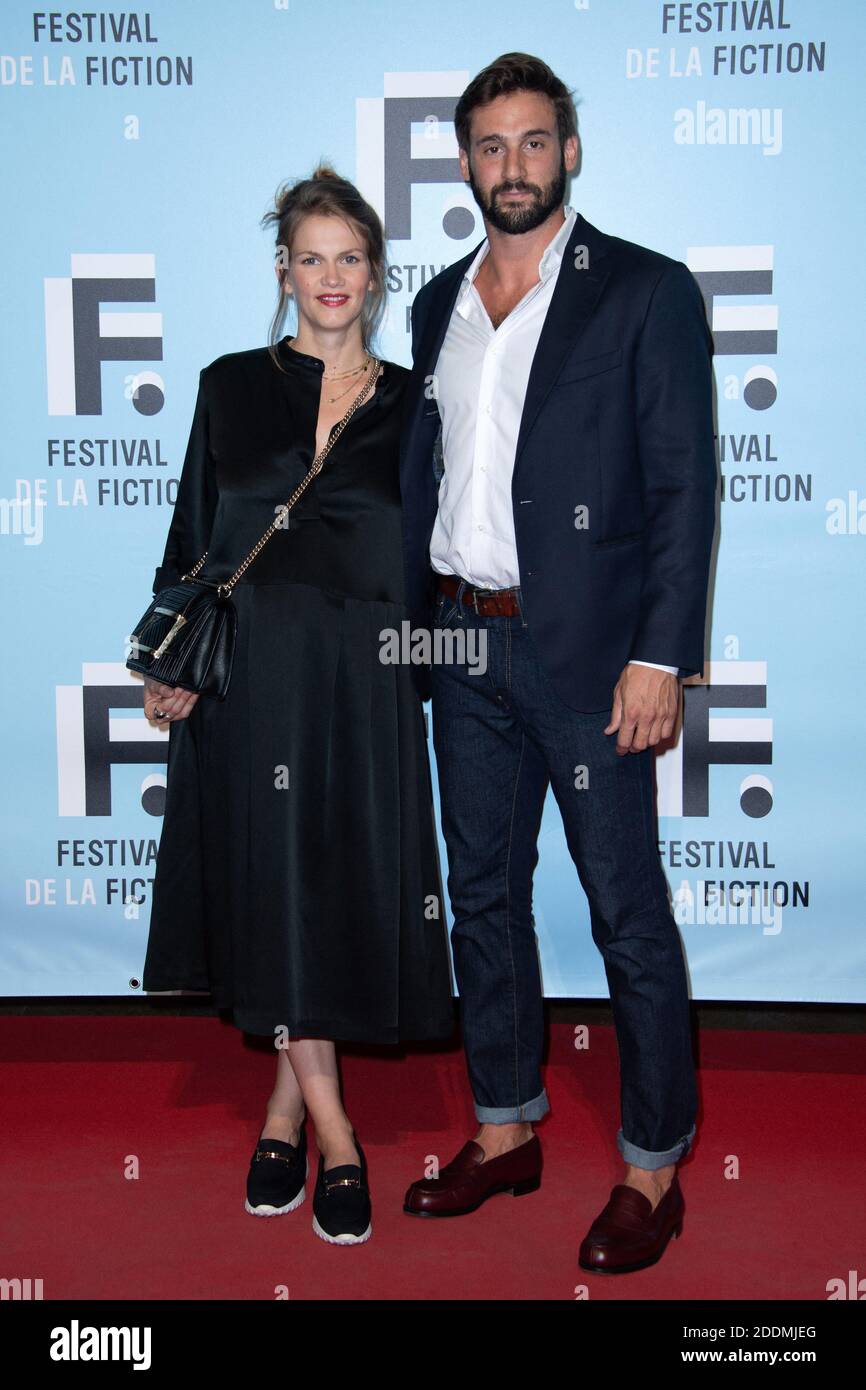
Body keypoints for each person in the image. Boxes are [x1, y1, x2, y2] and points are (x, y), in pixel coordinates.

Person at [399, 54, 717, 1274]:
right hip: (460, 637)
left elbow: (683, 489)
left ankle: (651, 1163)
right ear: (465, 162)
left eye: (532, 143)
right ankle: (503, 1126)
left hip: (590, 656)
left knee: (622, 910)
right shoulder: (437, 305)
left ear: (568, 151)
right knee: (480, 897)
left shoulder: (642, 291)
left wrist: (660, 654)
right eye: (488, 147)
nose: (511, 168)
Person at [139, 166, 455, 1246]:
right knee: (270, 882)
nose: (330, 276)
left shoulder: (418, 404)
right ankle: (338, 1131)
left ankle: (281, 1109)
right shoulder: (228, 383)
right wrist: (170, 655)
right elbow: (192, 536)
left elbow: (437, 557)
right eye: (309, 257)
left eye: (349, 257)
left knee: (326, 886)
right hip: (254, 677)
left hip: (362, 678)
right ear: (284, 272)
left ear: (375, 275)